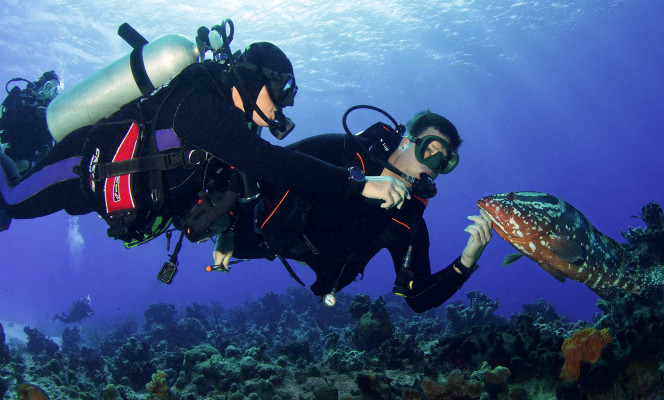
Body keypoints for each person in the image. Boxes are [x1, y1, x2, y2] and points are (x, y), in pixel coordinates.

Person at [0, 42, 410, 253]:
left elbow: (230, 187)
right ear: (256, 79)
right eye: (282, 90)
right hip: (79, 165)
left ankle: (19, 149)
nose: (283, 105)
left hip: (106, 194)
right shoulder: (200, 107)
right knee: (12, 201)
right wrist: (358, 184)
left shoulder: (232, 130)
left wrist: (225, 237)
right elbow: (271, 163)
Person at [220, 110, 493, 312]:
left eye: (443, 161)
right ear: (405, 143)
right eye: (430, 150)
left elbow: (418, 299)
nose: (433, 166)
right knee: (209, 220)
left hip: (299, 255)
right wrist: (227, 228)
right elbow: (265, 164)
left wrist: (466, 262)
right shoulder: (344, 151)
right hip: (250, 225)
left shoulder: (407, 221)